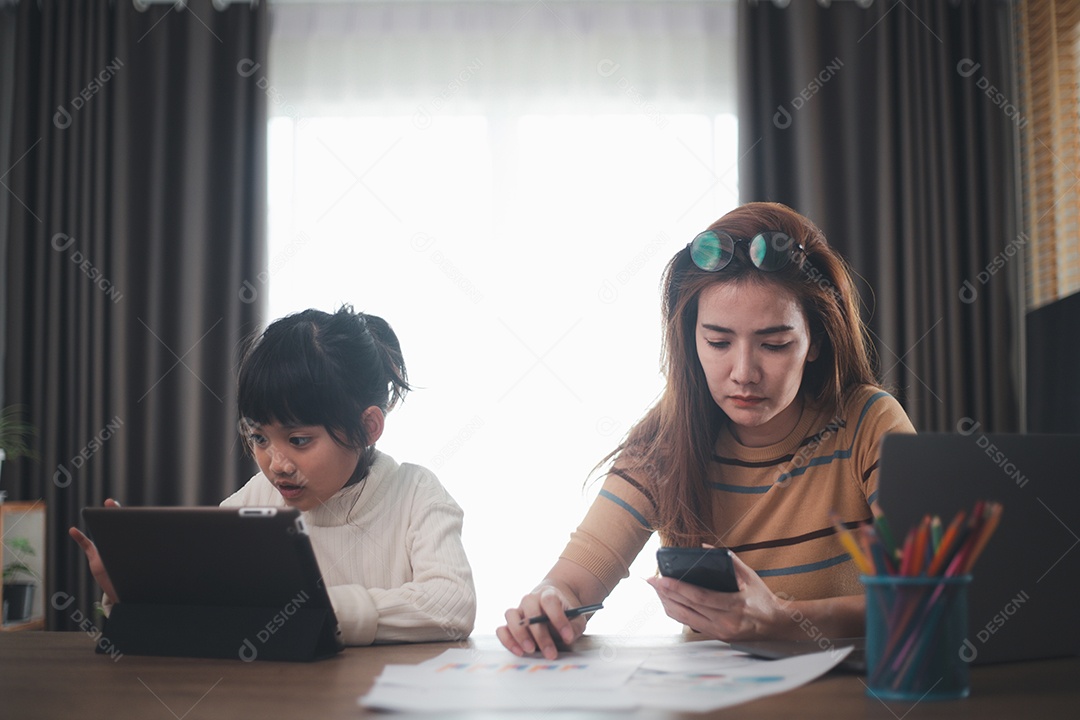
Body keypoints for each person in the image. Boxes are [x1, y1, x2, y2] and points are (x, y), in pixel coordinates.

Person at [497, 202, 915, 659]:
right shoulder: (664, 439)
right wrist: (551, 600)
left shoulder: (868, 422)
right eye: (718, 342)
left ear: (815, 340)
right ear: (690, 338)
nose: (743, 373)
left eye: (774, 344)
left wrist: (780, 620)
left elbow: (927, 596)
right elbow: (574, 581)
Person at [71, 306, 476, 645]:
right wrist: (134, 590)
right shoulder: (256, 499)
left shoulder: (415, 494)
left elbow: (451, 605)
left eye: (299, 440)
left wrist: (320, 613)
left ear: (368, 427)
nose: (276, 464)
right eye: (259, 437)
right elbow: (208, 602)